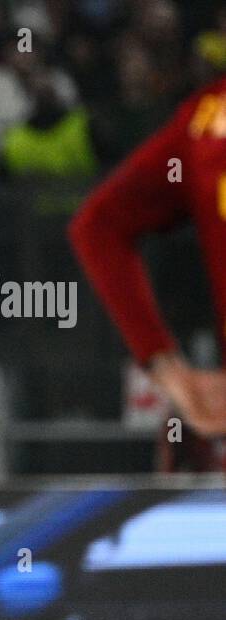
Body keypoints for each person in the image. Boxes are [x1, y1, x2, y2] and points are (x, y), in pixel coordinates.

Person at [68, 74, 226, 469]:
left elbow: (98, 225)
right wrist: (165, 366)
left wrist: (163, 363)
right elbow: (100, 226)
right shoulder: (205, 118)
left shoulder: (208, 117)